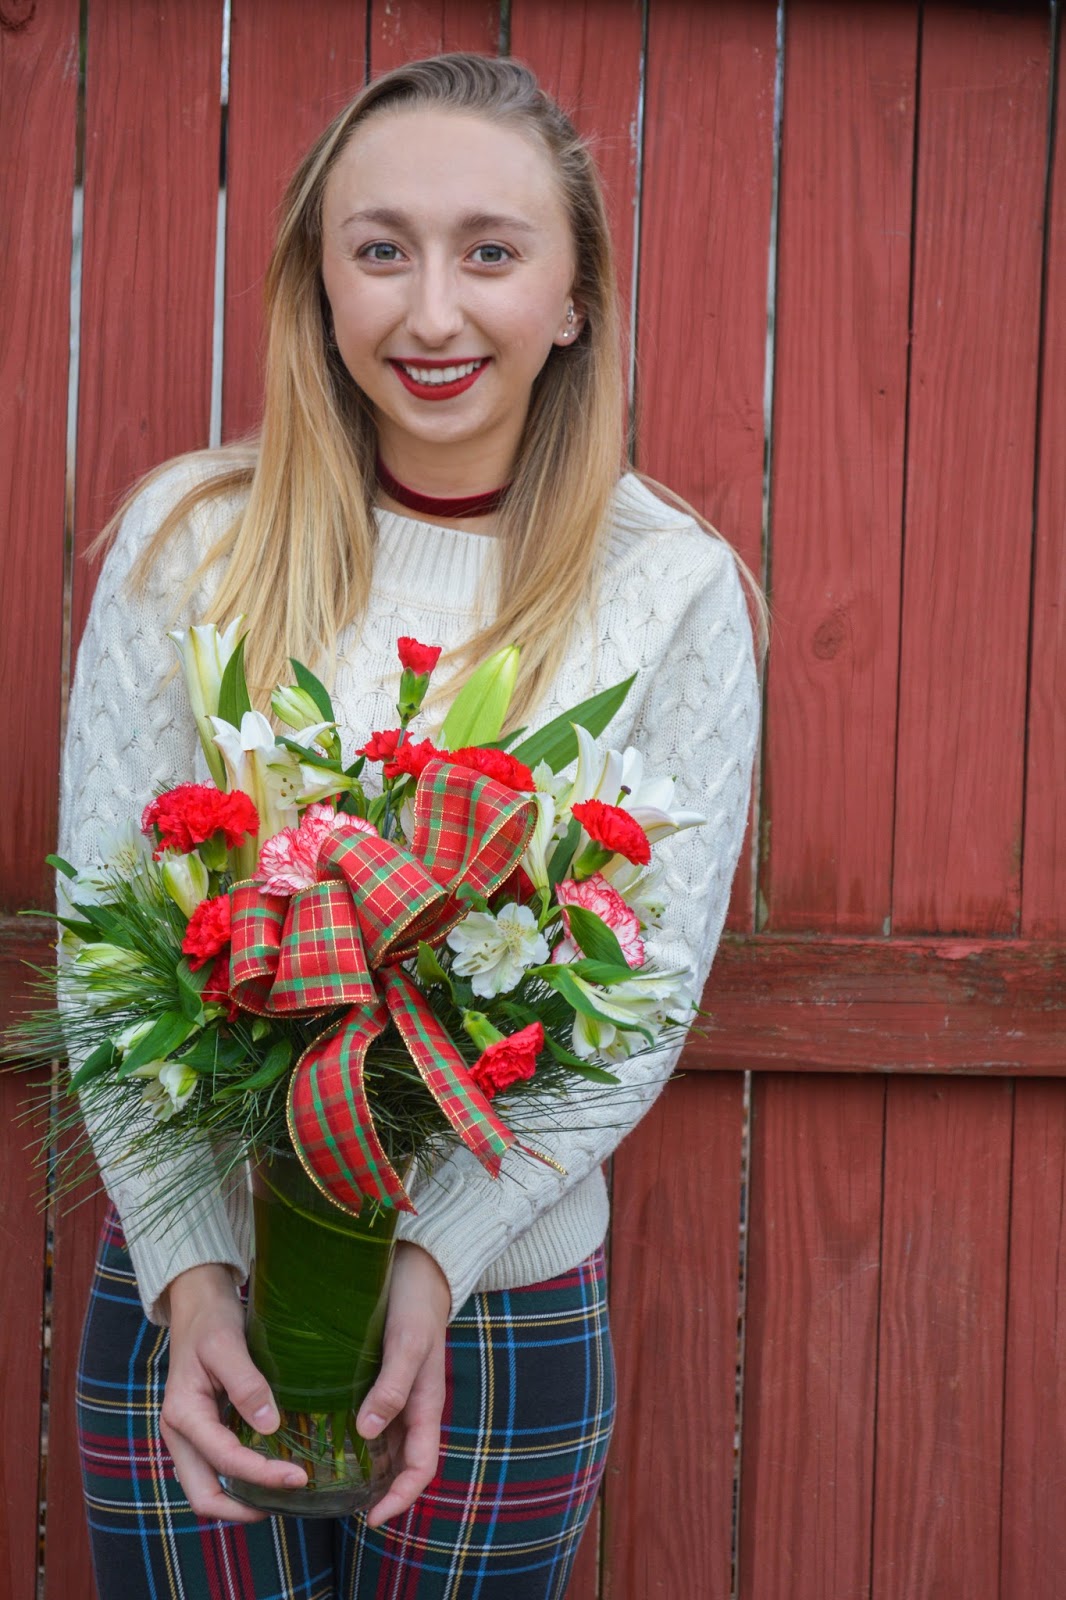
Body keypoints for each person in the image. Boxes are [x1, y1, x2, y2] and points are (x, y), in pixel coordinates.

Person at [62, 52, 761, 1600]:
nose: (431, 313)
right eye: (379, 250)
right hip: (203, 1295)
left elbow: (639, 1010)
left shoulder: (670, 586)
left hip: (502, 1306)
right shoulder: (192, 545)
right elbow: (109, 968)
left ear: (573, 299)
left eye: (490, 253)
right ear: (319, 288)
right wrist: (186, 1280)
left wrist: (434, 1262)